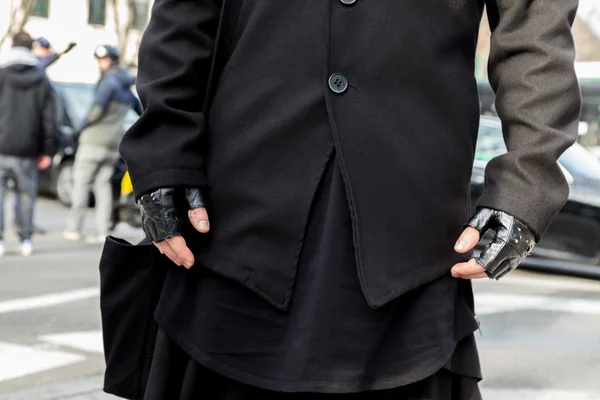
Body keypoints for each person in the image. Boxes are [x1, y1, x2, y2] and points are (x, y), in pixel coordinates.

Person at [120, 0, 581, 398]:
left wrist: (528, 181)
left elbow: (536, 26)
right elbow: (184, 15)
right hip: (233, 214)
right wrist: (163, 154)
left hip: (409, 239)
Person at [63, 45, 141, 244]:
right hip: (112, 145)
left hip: (92, 142)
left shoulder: (108, 84)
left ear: (110, 60)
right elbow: (140, 110)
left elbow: (95, 112)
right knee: (102, 186)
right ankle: (102, 230)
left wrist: (79, 129)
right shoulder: (126, 86)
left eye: (103, 60)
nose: (100, 64)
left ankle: (75, 228)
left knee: (81, 183)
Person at [0, 31, 56, 258]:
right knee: (26, 194)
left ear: (12, 46)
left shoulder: (1, 74)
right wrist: (47, 150)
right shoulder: (41, 78)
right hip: (28, 148)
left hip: (1, 145)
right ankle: (25, 239)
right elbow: (49, 118)